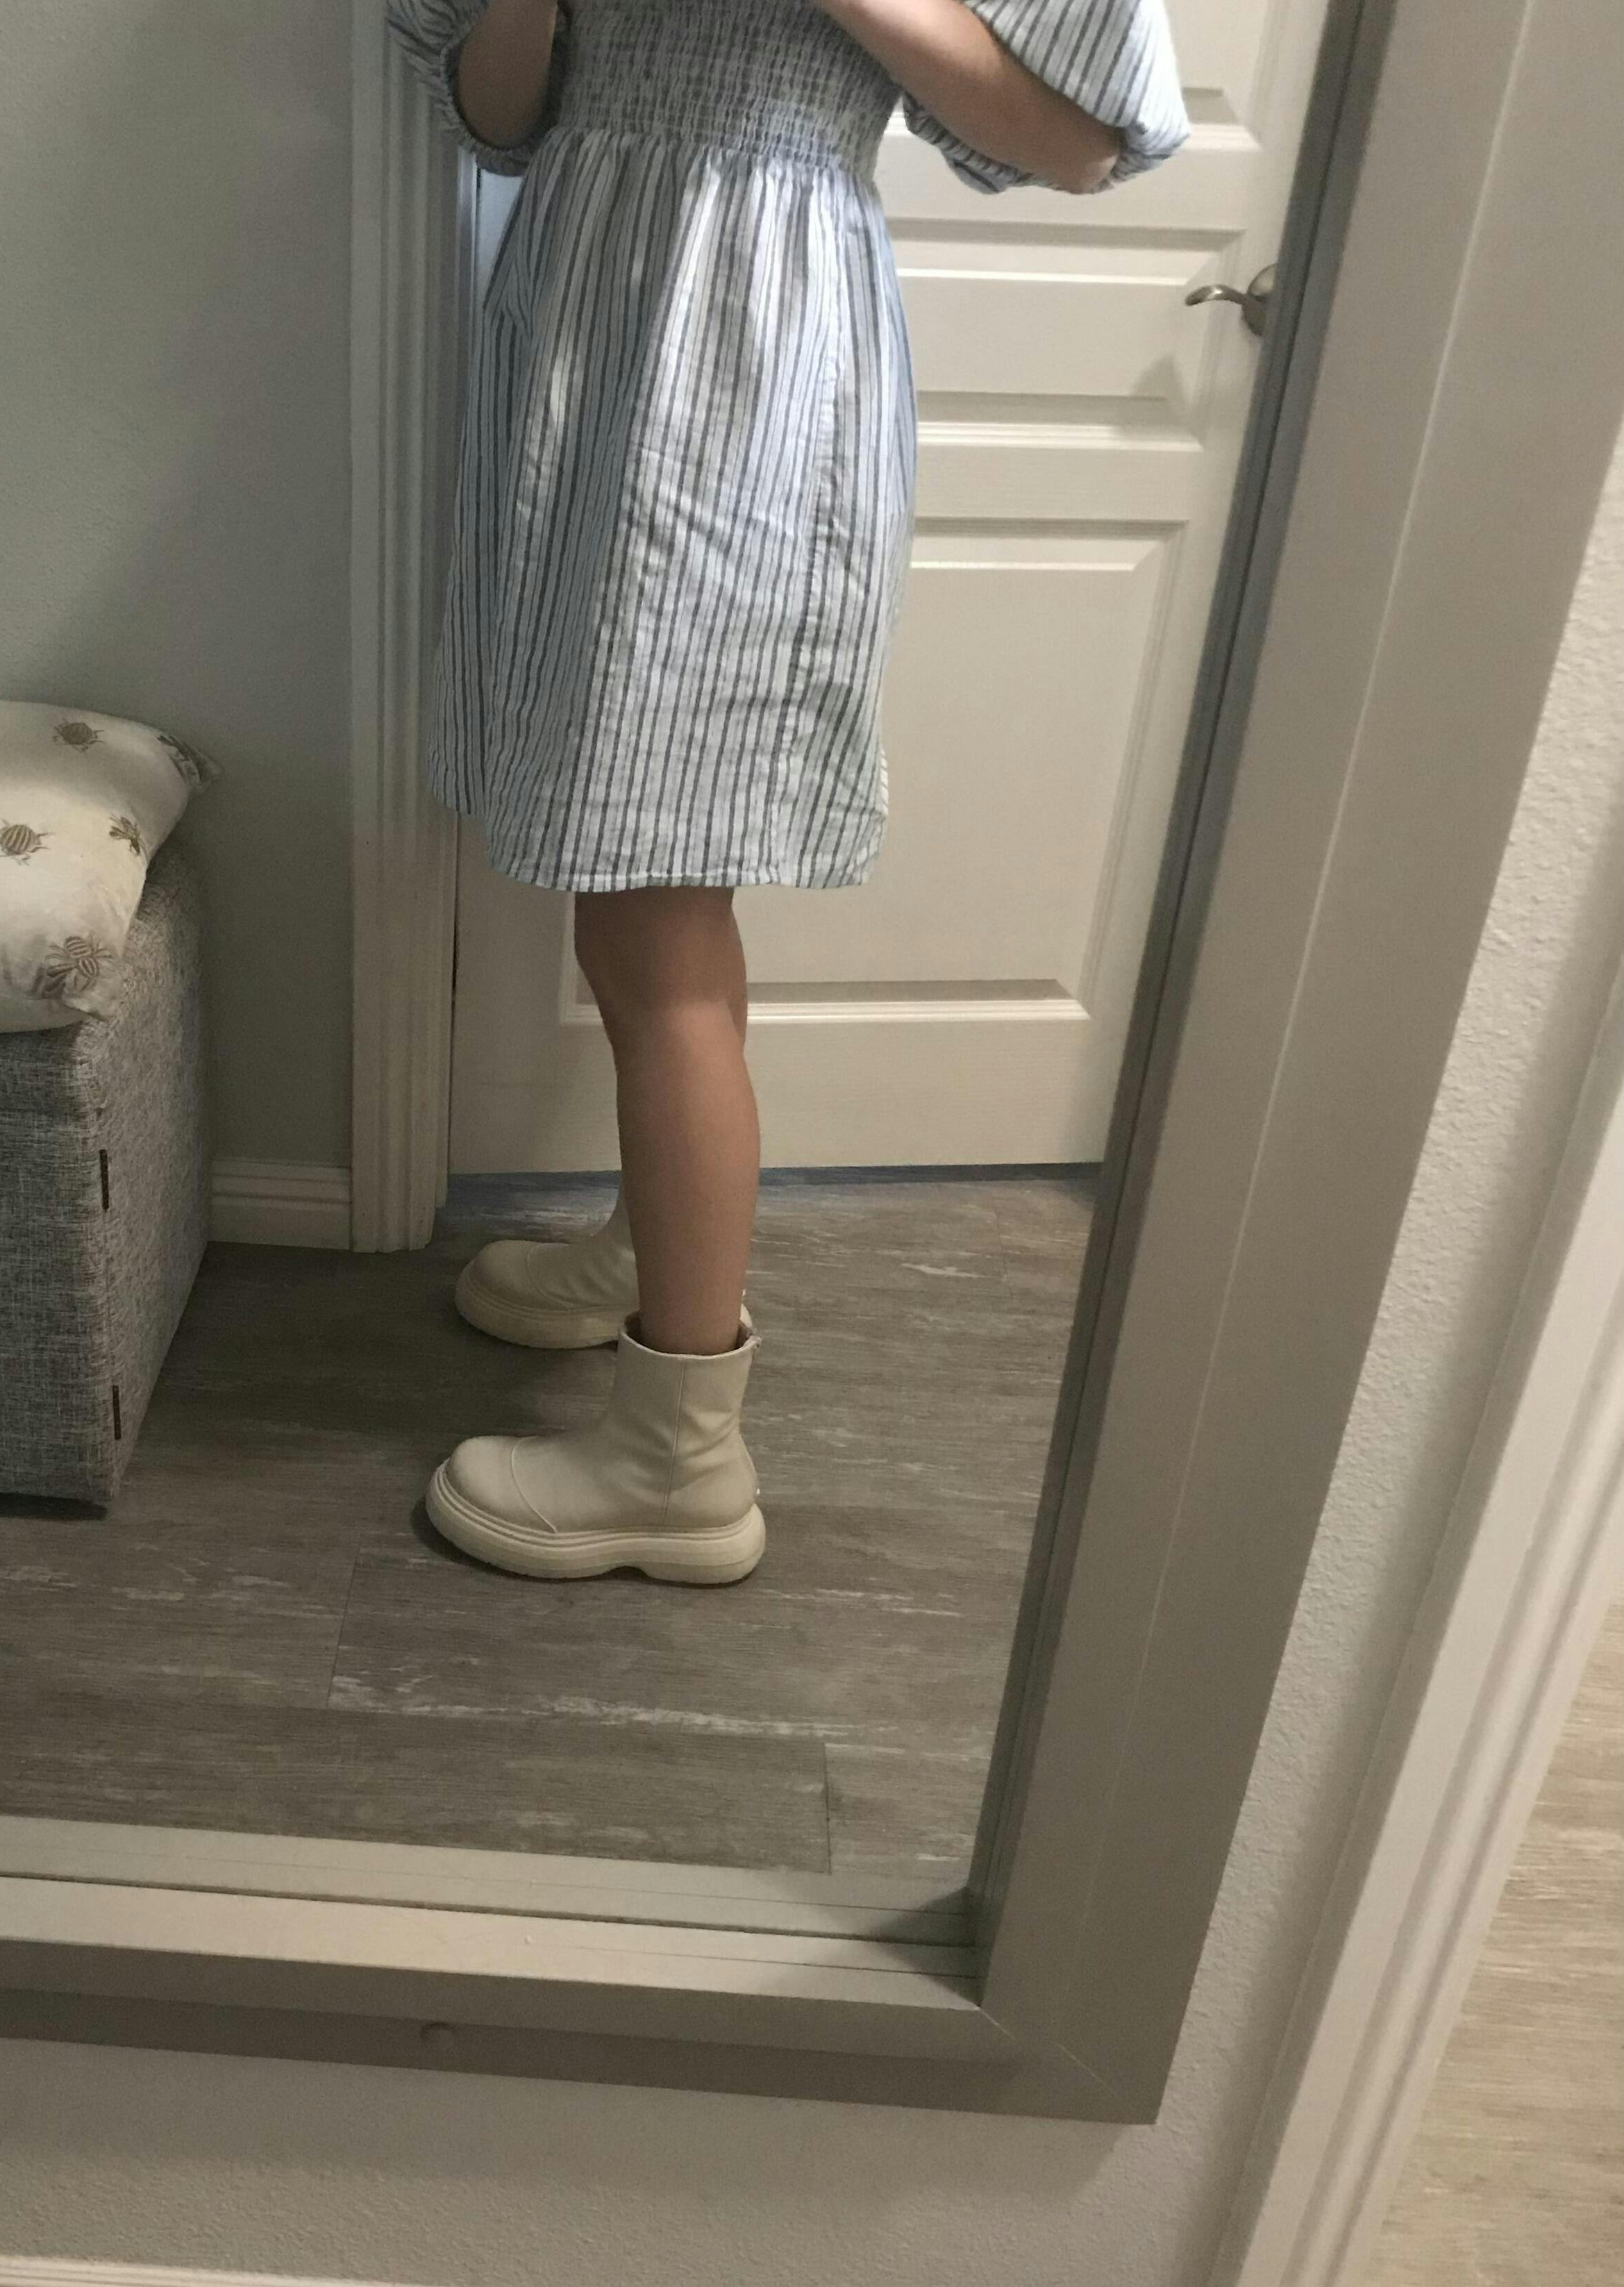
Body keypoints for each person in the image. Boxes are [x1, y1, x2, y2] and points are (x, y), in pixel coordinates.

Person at [387, 0, 1189, 1585]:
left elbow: (1086, 135)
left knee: (656, 905)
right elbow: (491, 118)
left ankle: (677, 1459)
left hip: (751, 366)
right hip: (579, 336)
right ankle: (656, 1248)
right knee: (642, 885)